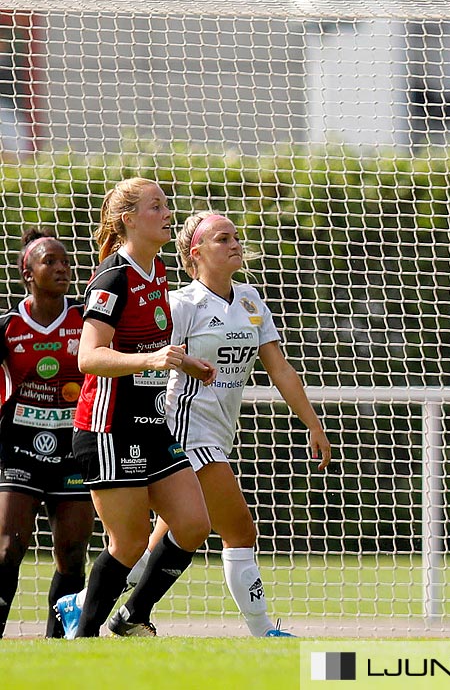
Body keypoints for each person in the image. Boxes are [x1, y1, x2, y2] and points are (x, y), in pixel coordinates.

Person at [123, 212, 330, 637]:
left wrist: (313, 424)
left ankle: (101, 607)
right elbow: (151, 364)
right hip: (186, 431)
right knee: (239, 530)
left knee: (157, 545)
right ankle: (262, 631)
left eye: (236, 236)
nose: (235, 243)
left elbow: (280, 369)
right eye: (223, 238)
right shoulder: (181, 305)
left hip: (219, 434)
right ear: (196, 253)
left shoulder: (251, 300)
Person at [57, 178, 216, 637]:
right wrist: (151, 359)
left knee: (192, 525)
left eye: (166, 204)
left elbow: (153, 341)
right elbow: (89, 356)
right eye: (156, 206)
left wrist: (185, 361)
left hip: (150, 425)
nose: (168, 213)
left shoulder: (160, 269)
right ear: (129, 219)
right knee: (126, 543)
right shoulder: (112, 277)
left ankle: (131, 617)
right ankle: (82, 633)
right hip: (107, 428)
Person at [0, 232, 93, 637]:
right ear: (27, 272)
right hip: (19, 450)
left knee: (72, 554)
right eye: (50, 262)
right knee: (7, 549)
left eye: (65, 262)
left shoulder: (86, 319)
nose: (61, 268)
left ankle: (59, 646)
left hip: (73, 450)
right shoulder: (7, 327)